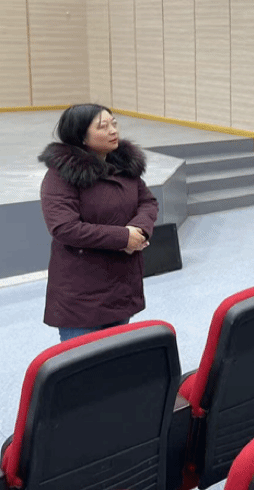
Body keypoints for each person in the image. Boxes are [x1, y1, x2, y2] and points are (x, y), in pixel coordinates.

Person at [39, 104, 159, 342]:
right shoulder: (61, 175)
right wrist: (124, 238)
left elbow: (147, 202)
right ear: (81, 136)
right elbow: (64, 227)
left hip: (121, 285)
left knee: (117, 353)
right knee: (84, 360)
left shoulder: (125, 166)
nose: (113, 131)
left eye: (114, 123)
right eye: (103, 127)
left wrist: (139, 230)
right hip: (82, 295)